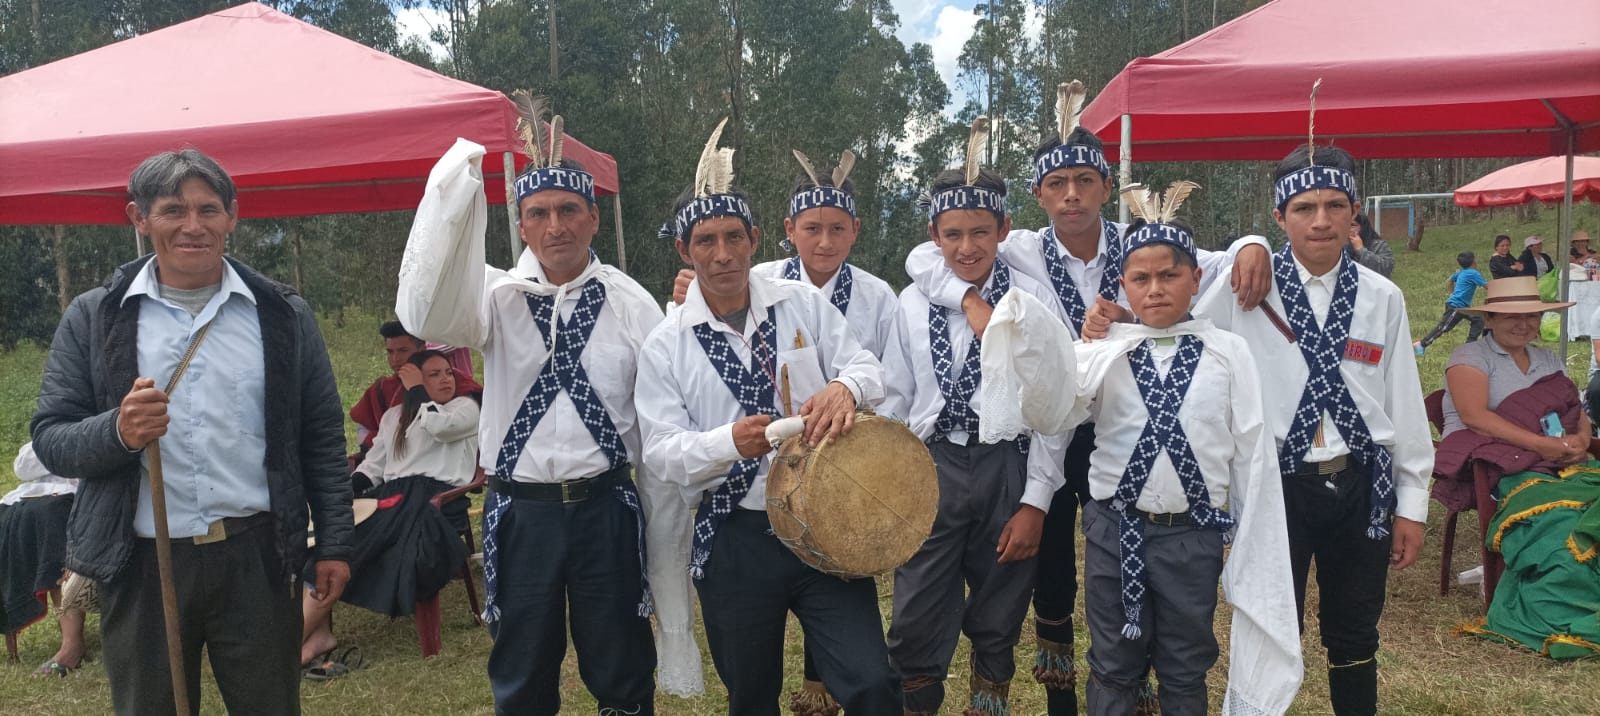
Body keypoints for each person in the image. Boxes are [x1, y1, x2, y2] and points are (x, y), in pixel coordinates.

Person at [901, 83, 1274, 715]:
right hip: (1052, 431)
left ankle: (1148, 687)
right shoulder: (1018, 249)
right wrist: (970, 301)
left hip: (1127, 431)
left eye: (1083, 180)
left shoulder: (1141, 248)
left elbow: (1213, 261)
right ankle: (1066, 700)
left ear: (1106, 185)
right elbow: (926, 255)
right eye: (1056, 184)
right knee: (1050, 571)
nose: (1070, 195)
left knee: (1128, 563)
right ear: (1038, 196)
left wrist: (1254, 244)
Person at [30, 148, 354, 715]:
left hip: (256, 554)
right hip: (142, 564)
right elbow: (51, 437)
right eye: (173, 210)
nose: (193, 226)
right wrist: (120, 432)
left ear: (233, 215)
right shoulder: (95, 316)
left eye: (209, 209)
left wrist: (334, 542)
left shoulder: (281, 314)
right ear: (139, 217)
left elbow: (322, 437)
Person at [397, 101, 663, 715]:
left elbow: (661, 402)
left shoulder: (629, 302)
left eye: (569, 210)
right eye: (538, 214)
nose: (556, 226)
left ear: (594, 218)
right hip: (524, 512)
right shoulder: (492, 297)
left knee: (621, 661)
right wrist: (456, 185)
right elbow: (427, 311)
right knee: (522, 667)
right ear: (520, 225)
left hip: (606, 508)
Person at [635, 119, 900, 715]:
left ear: (756, 238)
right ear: (684, 250)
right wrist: (727, 441)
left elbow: (867, 366)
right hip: (736, 536)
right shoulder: (666, 343)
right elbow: (661, 451)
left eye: (734, 236)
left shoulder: (801, 303)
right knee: (752, 695)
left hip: (823, 519)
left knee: (870, 683)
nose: (723, 254)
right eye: (706, 241)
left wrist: (844, 388)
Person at [1032, 190, 1301, 715]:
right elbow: (1054, 411)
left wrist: (1250, 533)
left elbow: (1249, 451)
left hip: (1193, 537)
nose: (1155, 290)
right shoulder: (1104, 351)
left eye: (1169, 276)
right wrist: (1068, 344)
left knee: (1185, 664)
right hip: (1114, 531)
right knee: (1112, 665)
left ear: (1196, 280)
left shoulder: (1228, 352)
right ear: (1124, 286)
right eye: (1140, 279)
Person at [1193, 143, 1432, 716]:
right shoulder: (1244, 288)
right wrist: (1244, 246)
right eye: (1303, 208)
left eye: (1333, 205)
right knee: (1269, 622)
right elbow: (1173, 314)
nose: (1320, 220)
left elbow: (1403, 402)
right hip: (1276, 486)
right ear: (1279, 217)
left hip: (1359, 482)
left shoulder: (1383, 299)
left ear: (1356, 213)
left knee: (1354, 633)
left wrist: (1413, 503)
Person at [878, 124, 1070, 716]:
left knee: (1000, 606)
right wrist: (898, 476)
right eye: (952, 234)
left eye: (980, 232)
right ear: (933, 236)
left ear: (1003, 231)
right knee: (914, 613)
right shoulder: (911, 302)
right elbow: (894, 396)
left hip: (1005, 465)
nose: (967, 248)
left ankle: (989, 703)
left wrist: (1036, 501)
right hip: (932, 464)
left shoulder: (1032, 302)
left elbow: (1055, 407)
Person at [299, 349, 479, 676]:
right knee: (330, 545)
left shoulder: (464, 408)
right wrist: (346, 491)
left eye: (448, 373)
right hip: (391, 498)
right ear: (415, 380)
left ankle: (289, 650)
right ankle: (318, 636)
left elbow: (440, 427)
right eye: (434, 374)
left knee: (356, 546)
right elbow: (374, 466)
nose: (446, 380)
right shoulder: (393, 416)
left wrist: (418, 392)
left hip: (432, 501)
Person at [1440, 276, 1587, 453]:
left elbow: (1575, 408)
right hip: (1482, 456)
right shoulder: (1470, 357)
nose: (1523, 325)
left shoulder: (1549, 359)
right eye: (1512, 317)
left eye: (1532, 316)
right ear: (1489, 319)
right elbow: (1475, 417)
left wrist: (1582, 440)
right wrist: (1539, 445)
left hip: (1547, 452)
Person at [0, 443, 88, 678]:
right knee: (8, 519)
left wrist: (64, 446)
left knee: (49, 521)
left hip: (79, 497)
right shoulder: (51, 424)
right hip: (33, 498)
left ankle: (72, 644)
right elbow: (22, 468)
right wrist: (54, 443)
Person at [348, 321, 481, 460]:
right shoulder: (382, 388)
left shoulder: (453, 380)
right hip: (392, 465)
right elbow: (365, 428)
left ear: (422, 349)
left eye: (403, 351)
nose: (395, 359)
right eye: (390, 352)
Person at [1414, 251, 1488, 356]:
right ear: (1473, 261)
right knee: (1444, 327)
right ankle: (1421, 344)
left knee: (1479, 320)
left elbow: (1450, 280)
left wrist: (1451, 293)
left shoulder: (1462, 272)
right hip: (1456, 307)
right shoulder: (1473, 273)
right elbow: (1487, 286)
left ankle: (1470, 346)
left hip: (1463, 307)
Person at [1346, 212, 1394, 278]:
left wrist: (1361, 250)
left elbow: (1386, 270)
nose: (1347, 229)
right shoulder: (1339, 246)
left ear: (1363, 227)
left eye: (1352, 225)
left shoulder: (1379, 245)